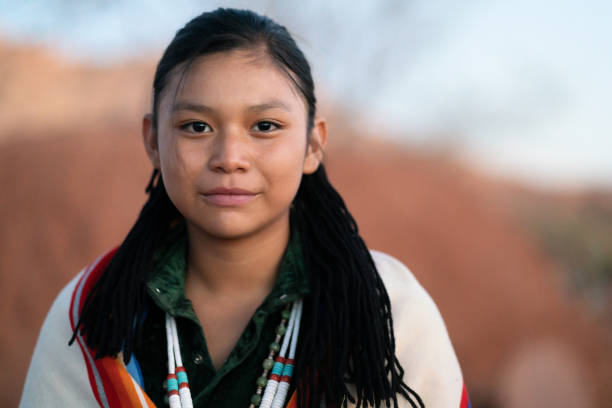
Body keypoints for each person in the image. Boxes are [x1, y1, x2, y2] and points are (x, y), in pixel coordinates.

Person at [20, 8, 469, 408]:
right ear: (152, 141)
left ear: (313, 144)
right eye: (196, 126)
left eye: (265, 126)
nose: (229, 156)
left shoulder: (385, 304)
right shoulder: (93, 310)